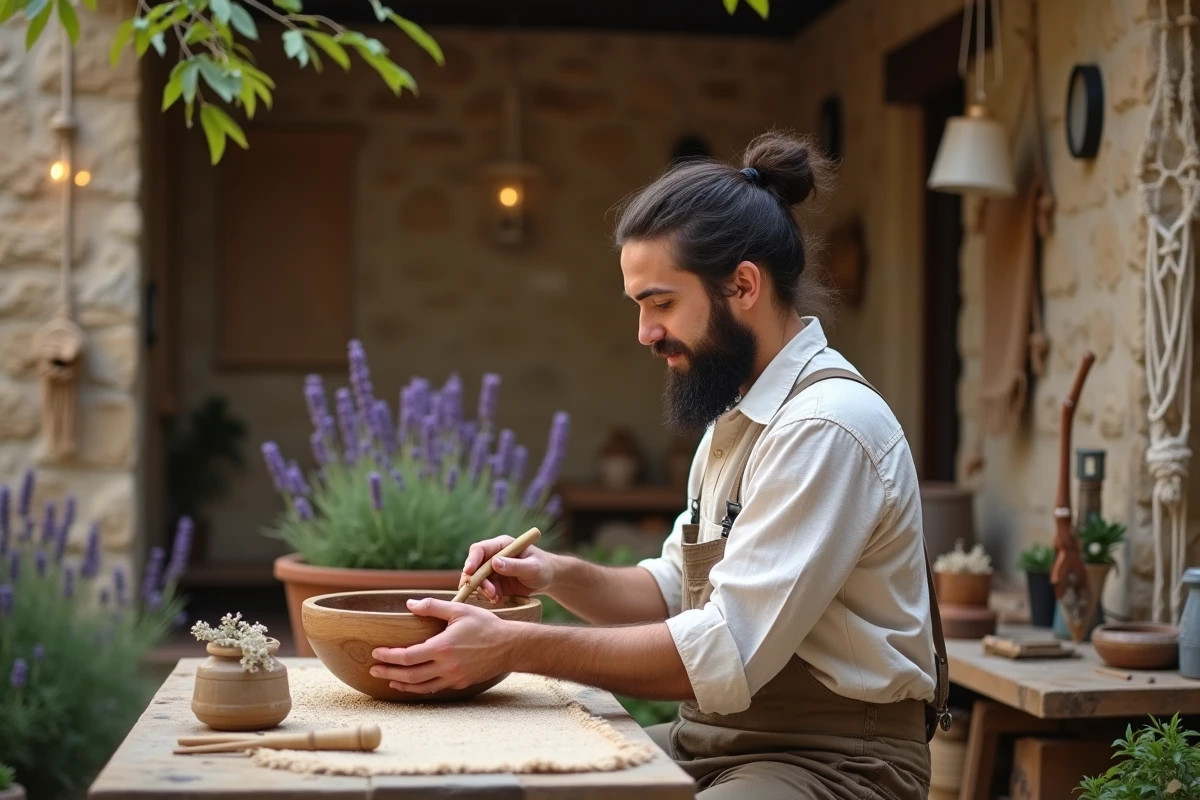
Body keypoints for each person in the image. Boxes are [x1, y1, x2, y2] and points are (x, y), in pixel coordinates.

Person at [369, 131, 950, 799]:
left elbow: (723, 649)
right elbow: (675, 589)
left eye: (661, 304)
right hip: (711, 741)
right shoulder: (738, 418)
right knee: (520, 780)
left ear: (742, 285)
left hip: (838, 762)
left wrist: (513, 647)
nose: (645, 334)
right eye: (640, 307)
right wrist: (554, 574)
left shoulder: (826, 428)